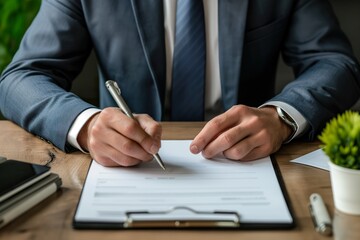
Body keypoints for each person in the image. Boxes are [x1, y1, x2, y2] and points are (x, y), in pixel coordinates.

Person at [0, 0, 359, 167]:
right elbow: (20, 78)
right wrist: (86, 124)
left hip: (250, 164)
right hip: (129, 172)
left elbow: (334, 63)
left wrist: (281, 116)